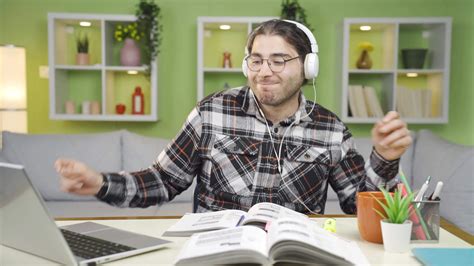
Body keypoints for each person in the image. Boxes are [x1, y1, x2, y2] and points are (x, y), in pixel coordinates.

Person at [55, 19, 411, 215]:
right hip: (216, 255)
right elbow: (163, 181)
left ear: (308, 67)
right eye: (256, 60)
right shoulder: (212, 112)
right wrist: (101, 182)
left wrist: (385, 159)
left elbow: (358, 206)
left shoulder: (330, 129)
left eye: (279, 60)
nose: (264, 71)